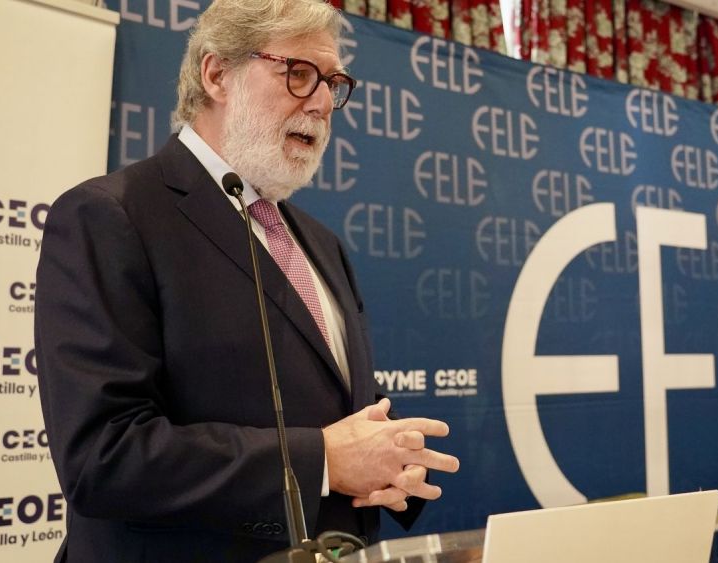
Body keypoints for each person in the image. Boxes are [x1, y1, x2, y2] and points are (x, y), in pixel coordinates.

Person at [34, 1, 459, 561]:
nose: (323, 102)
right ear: (217, 75)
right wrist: (323, 461)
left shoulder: (320, 243)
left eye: (333, 83)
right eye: (299, 74)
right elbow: (104, 455)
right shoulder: (110, 216)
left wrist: (393, 456)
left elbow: (335, 404)